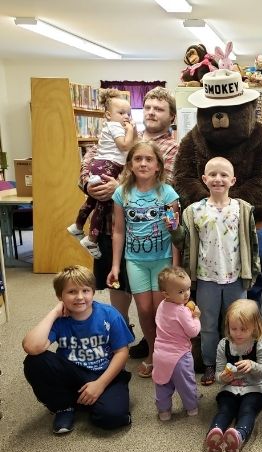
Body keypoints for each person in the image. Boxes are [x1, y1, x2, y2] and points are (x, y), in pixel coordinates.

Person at [79, 86, 178, 360]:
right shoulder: (122, 133)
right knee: (120, 288)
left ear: (171, 117)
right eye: (147, 107)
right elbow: (92, 158)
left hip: (155, 239)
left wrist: (118, 186)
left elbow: (166, 184)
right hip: (112, 227)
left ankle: (159, 347)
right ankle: (122, 339)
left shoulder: (172, 148)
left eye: (159, 109)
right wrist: (89, 183)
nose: (151, 112)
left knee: (155, 300)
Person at [170, 157, 260, 386]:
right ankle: (210, 364)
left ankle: (239, 362)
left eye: (223, 175)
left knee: (239, 322)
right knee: (208, 325)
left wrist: (253, 272)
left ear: (233, 180)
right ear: (204, 179)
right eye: (212, 174)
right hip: (206, 277)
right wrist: (173, 229)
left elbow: (252, 243)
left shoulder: (242, 208)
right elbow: (184, 242)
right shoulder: (194, 210)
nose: (218, 179)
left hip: (236, 277)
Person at [22, 265, 133, 434]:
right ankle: (64, 407)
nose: (80, 297)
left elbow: (122, 352)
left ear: (93, 292)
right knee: (34, 361)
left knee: (112, 418)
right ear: (60, 296)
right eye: (72, 292)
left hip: (105, 373)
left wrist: (100, 385)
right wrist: (54, 312)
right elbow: (31, 347)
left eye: (85, 291)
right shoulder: (60, 319)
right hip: (72, 372)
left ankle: (87, 401)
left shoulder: (109, 314)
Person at [107, 141, 180, 378]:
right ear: (130, 164)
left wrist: (176, 267)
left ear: (158, 165)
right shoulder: (122, 193)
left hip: (163, 260)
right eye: (138, 159)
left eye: (149, 159)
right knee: (144, 309)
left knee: (161, 309)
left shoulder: (168, 193)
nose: (143, 163)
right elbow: (118, 230)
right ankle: (152, 352)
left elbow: (176, 231)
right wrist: (116, 266)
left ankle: (165, 353)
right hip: (135, 261)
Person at [68, 89, 137, 259]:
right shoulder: (116, 127)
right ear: (108, 114)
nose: (126, 117)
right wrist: (131, 130)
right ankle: (91, 238)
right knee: (103, 201)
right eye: (121, 113)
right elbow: (124, 146)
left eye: (128, 113)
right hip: (108, 166)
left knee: (93, 200)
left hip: (102, 165)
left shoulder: (110, 127)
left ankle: (77, 226)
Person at [205, 299, 262, 452]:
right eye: (233, 328)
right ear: (228, 326)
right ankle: (214, 434)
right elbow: (218, 376)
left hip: (254, 389)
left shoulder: (259, 343)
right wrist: (223, 377)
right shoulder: (224, 345)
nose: (238, 333)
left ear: (254, 326)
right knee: (225, 409)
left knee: (247, 410)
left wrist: (252, 365)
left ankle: (238, 437)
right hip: (230, 388)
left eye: (243, 329)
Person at [153, 266, 201, 421]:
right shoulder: (182, 311)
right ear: (166, 293)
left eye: (187, 289)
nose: (186, 294)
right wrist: (196, 317)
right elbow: (193, 332)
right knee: (186, 384)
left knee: (162, 384)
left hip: (160, 354)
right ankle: (191, 408)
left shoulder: (161, 306)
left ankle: (164, 412)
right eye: (180, 292)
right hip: (180, 356)